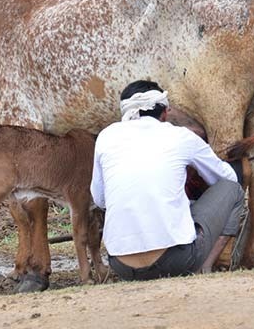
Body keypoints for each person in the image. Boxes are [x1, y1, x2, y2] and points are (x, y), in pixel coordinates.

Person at [90, 80, 244, 280]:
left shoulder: (106, 137)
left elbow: (100, 199)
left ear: (126, 112)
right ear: (165, 113)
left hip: (122, 266)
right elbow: (227, 178)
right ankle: (204, 269)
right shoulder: (181, 136)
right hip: (176, 262)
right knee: (233, 189)